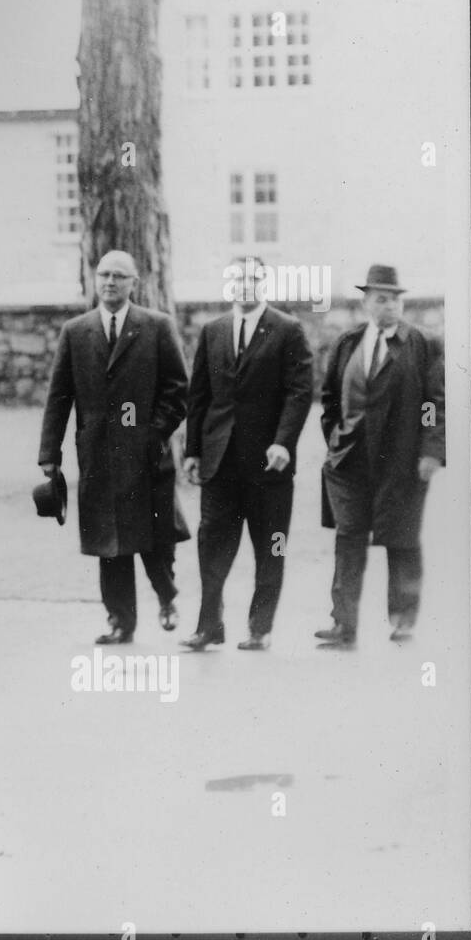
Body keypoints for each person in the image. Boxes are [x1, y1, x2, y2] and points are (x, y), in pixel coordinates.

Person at [38, 249, 190, 644]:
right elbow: (59, 397)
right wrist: (49, 457)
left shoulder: (156, 326)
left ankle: (167, 596)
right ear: (94, 279)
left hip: (148, 456)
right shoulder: (76, 331)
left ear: (133, 283)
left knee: (156, 536)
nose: (109, 282)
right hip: (98, 457)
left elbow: (178, 390)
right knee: (109, 543)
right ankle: (120, 621)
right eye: (103, 274)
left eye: (119, 276)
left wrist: (153, 433)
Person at [181, 257, 314, 651]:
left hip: (268, 463)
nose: (243, 286)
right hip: (219, 462)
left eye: (252, 279)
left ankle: (260, 627)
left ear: (265, 284)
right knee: (211, 545)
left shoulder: (288, 330)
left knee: (270, 545)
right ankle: (209, 626)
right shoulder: (213, 331)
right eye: (236, 279)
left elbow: (300, 391)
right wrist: (192, 451)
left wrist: (283, 442)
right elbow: (199, 395)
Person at [315, 265, 444, 649]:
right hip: (350, 459)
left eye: (395, 299)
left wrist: (430, 450)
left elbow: (432, 404)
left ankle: (404, 617)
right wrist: (336, 440)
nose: (390, 306)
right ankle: (344, 624)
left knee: (401, 536)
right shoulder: (348, 342)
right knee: (348, 537)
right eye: (381, 299)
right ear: (366, 302)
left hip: (402, 459)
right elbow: (328, 400)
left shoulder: (422, 343)